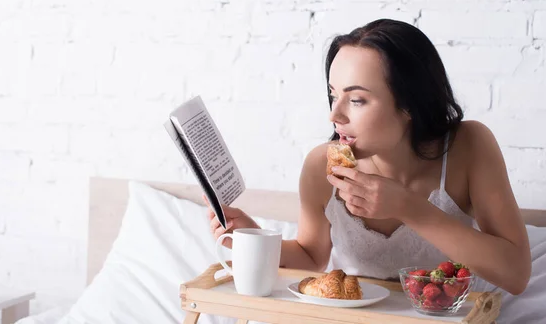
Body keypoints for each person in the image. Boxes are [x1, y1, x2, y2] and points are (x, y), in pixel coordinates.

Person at [206, 18, 531, 296]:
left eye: (357, 100)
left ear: (409, 105)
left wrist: (409, 207)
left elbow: (515, 275)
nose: (335, 114)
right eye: (334, 95)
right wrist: (253, 239)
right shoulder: (323, 165)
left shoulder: (469, 146)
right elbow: (311, 256)